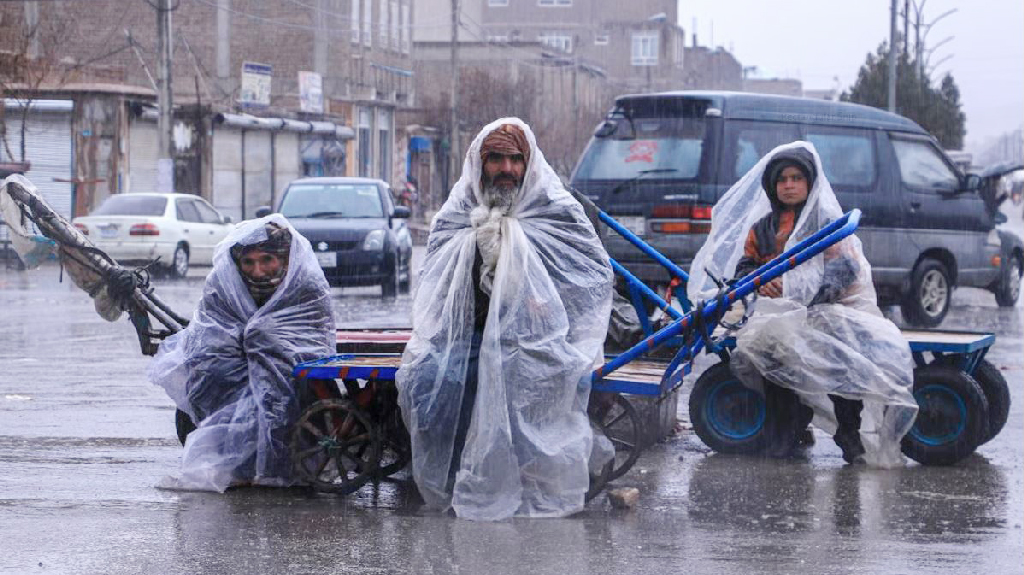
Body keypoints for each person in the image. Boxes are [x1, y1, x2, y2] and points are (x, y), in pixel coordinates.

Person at [395, 118, 614, 520]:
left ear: (528, 163)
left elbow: (589, 282)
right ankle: (454, 477)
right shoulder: (457, 212)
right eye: (495, 158)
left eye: (515, 159)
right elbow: (434, 288)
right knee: (431, 381)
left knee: (523, 377)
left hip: (542, 338)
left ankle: (526, 478)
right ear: (479, 164)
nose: (507, 169)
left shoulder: (558, 212)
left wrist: (544, 302)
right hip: (470, 336)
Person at [688, 141, 918, 467]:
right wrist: (760, 282)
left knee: (840, 364)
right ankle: (786, 430)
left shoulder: (825, 224)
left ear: (809, 183)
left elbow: (844, 270)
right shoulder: (763, 228)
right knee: (773, 358)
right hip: (778, 316)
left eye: (797, 178)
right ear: (773, 186)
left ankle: (848, 435)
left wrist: (800, 293)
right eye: (783, 180)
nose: (790, 185)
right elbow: (746, 267)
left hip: (828, 311)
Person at [148, 215, 335, 491]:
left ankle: (279, 460)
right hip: (233, 361)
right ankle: (237, 460)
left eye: (267, 261)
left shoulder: (305, 283)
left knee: (282, 389)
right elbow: (211, 330)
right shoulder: (223, 283)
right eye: (249, 262)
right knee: (207, 370)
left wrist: (263, 339)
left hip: (289, 363)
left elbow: (311, 335)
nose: (257, 271)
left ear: (284, 259)